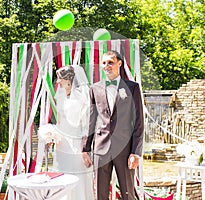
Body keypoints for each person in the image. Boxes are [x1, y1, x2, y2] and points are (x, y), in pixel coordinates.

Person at [82, 50, 144, 200]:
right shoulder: (95, 88)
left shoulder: (132, 87)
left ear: (119, 63)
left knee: (127, 193)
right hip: (100, 149)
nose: (106, 66)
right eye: (104, 63)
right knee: (101, 194)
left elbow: (138, 122)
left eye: (110, 62)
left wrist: (135, 152)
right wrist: (85, 148)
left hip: (124, 149)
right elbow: (91, 120)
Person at [52, 65, 94, 200]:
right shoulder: (60, 95)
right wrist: (52, 135)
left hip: (77, 144)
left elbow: (86, 124)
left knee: (78, 178)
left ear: (69, 79)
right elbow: (59, 122)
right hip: (61, 145)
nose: (58, 82)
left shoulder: (82, 96)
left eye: (60, 78)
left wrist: (85, 149)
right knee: (62, 177)